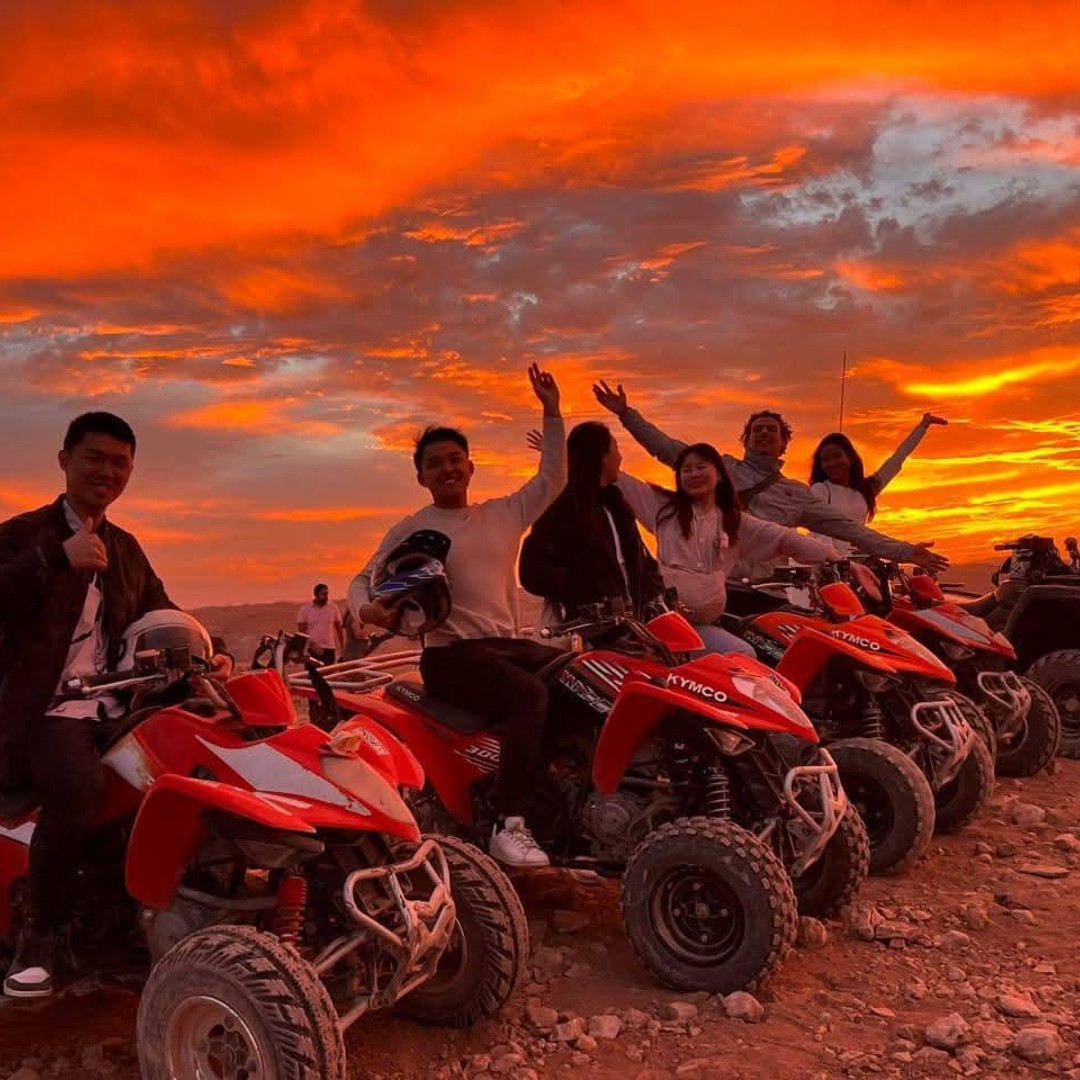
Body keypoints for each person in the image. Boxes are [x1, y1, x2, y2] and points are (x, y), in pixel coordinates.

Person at [0, 412, 232, 998]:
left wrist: (215, 653)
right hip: (42, 711)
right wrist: (56, 559)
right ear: (64, 460)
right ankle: (41, 941)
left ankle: (167, 909)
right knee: (79, 791)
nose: (107, 471)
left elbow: (163, 608)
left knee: (196, 762)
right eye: (94, 457)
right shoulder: (26, 534)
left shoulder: (124, 548)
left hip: (115, 705)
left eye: (119, 462)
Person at [348, 364, 565, 869]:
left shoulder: (503, 513)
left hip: (508, 645)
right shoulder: (414, 529)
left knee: (577, 675)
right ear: (420, 476)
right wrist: (369, 610)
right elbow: (361, 579)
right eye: (434, 463)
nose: (447, 469)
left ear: (471, 466)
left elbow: (552, 478)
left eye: (454, 459)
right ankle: (509, 825)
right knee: (531, 695)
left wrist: (552, 412)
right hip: (450, 657)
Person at [592, 381, 949, 581]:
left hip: (764, 585)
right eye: (757, 430)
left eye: (772, 431)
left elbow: (851, 530)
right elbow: (667, 449)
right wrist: (626, 413)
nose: (764, 434)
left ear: (784, 443)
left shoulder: (796, 494)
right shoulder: (719, 467)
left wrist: (904, 551)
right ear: (745, 439)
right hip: (707, 575)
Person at [615, 443, 843, 655]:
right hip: (660, 624)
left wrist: (834, 558)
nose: (693, 474)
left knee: (743, 655)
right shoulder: (664, 509)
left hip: (701, 626)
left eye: (701, 467)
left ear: (720, 474)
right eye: (686, 470)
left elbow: (783, 538)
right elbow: (623, 483)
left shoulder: (734, 523)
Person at [519, 422, 666, 638]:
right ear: (601, 457)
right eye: (615, 448)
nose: (620, 458)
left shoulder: (617, 505)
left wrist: (655, 594)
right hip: (589, 636)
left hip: (635, 630)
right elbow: (532, 571)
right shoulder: (562, 506)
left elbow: (642, 562)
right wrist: (586, 590)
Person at [807, 416, 947, 554]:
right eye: (825, 460)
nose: (832, 463)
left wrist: (922, 427)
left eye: (837, 456)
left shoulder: (864, 490)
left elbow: (896, 460)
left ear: (849, 457)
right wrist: (833, 559)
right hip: (825, 561)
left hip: (856, 560)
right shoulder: (820, 489)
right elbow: (819, 530)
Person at [298, 583, 344, 664]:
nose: (326, 596)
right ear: (316, 594)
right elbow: (302, 633)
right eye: (323, 594)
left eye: (327, 594)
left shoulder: (333, 608)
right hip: (312, 650)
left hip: (329, 649)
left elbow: (339, 629)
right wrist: (312, 646)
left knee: (330, 675)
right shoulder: (305, 609)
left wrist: (342, 647)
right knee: (313, 675)